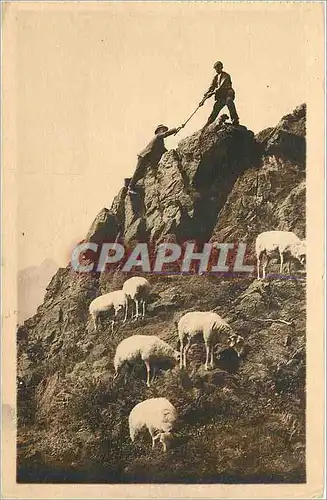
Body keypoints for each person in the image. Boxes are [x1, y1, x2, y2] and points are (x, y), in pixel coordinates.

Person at [127, 124, 183, 195]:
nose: (165, 131)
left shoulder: (160, 143)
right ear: (159, 131)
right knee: (138, 171)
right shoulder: (157, 136)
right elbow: (166, 134)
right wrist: (175, 129)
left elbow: (165, 151)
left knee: (141, 174)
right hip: (143, 156)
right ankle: (130, 187)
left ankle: (133, 186)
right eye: (163, 129)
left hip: (147, 159)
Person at [200, 61, 239, 127]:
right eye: (215, 68)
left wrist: (212, 93)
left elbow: (221, 86)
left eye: (218, 68)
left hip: (228, 94)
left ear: (221, 67)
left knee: (229, 101)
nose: (217, 69)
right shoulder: (216, 77)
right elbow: (211, 87)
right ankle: (208, 123)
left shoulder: (226, 76)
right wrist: (204, 98)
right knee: (216, 108)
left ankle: (235, 119)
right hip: (221, 97)